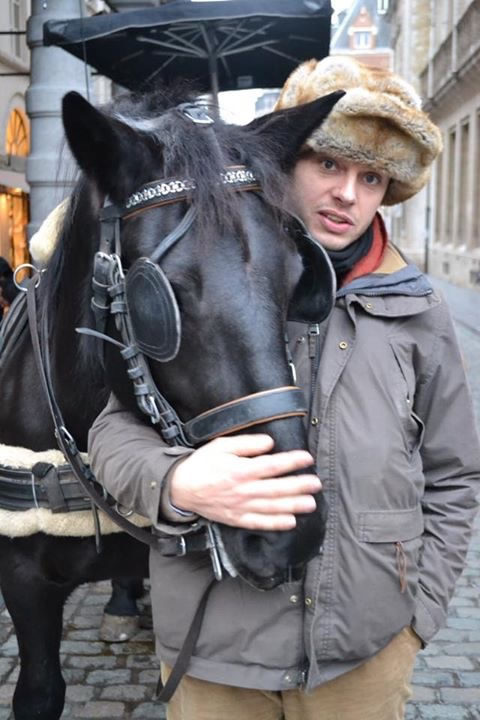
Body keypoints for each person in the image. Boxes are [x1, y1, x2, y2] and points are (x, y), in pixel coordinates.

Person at [88, 57, 480, 720]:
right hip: (216, 649)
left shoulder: (419, 309)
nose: (347, 194)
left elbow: (454, 473)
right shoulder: (206, 274)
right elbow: (112, 430)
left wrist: (419, 615)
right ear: (284, 163)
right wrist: (173, 484)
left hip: (364, 652)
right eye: (329, 165)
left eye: (372, 176)